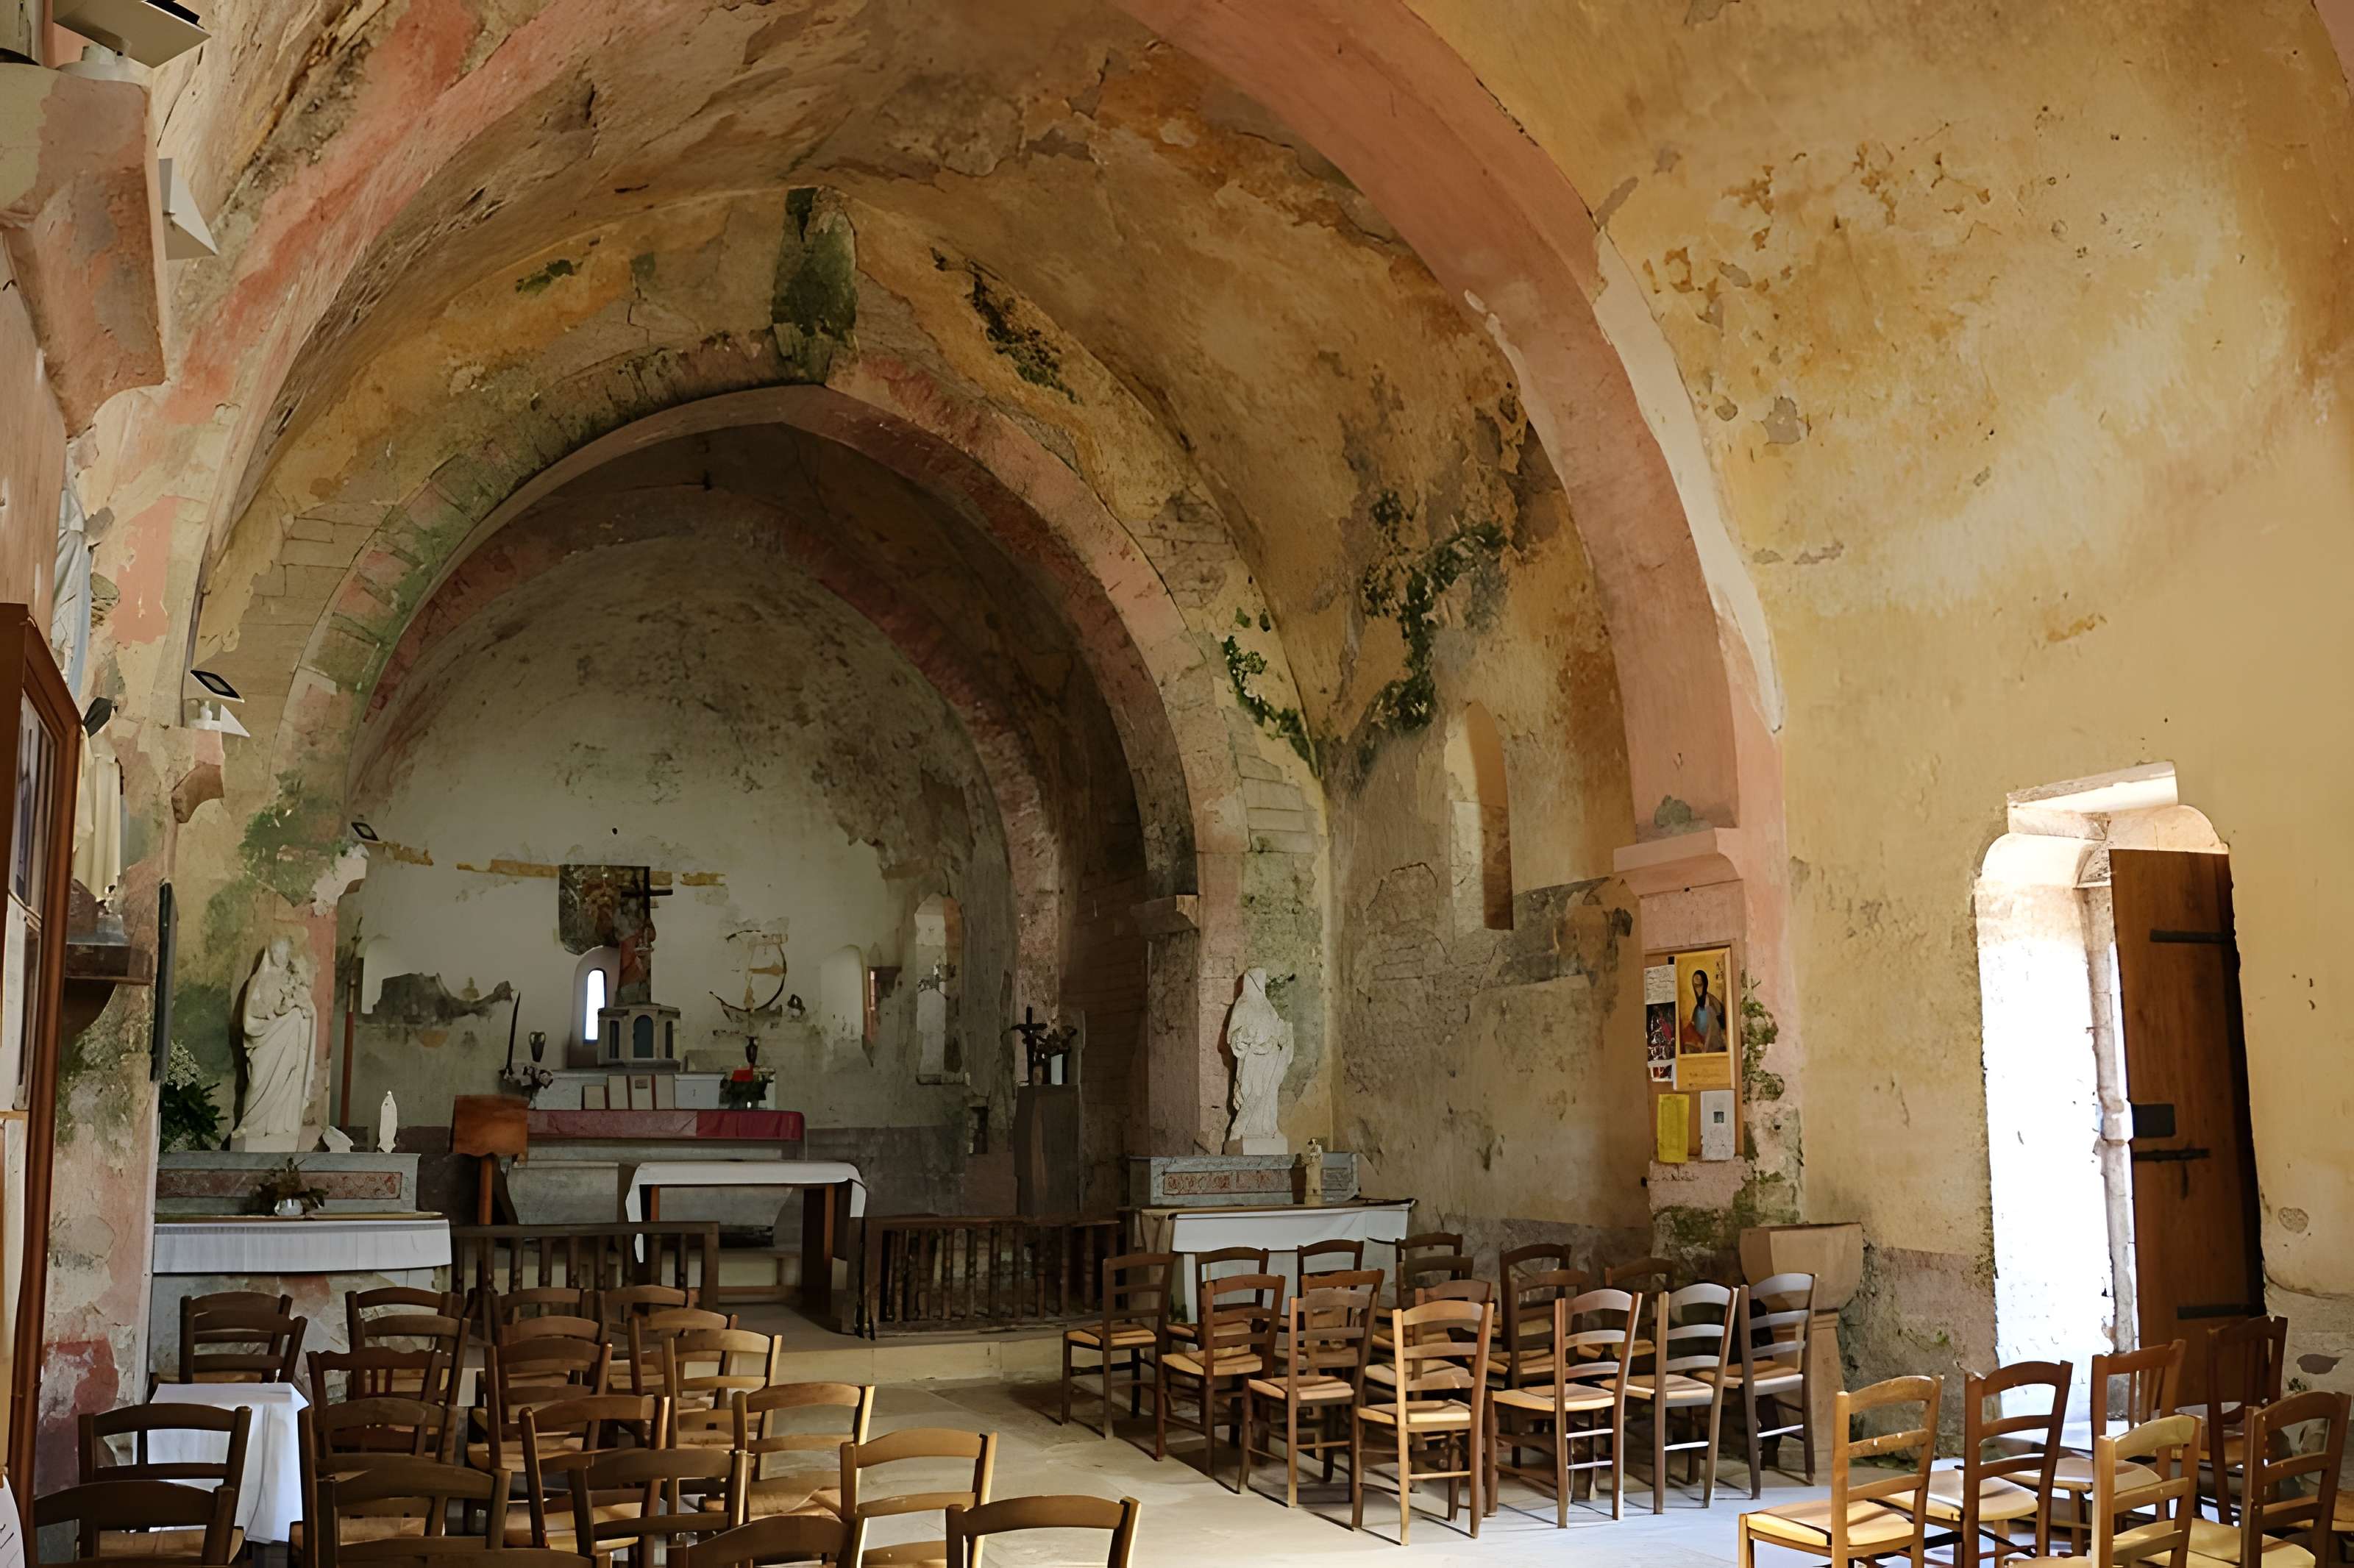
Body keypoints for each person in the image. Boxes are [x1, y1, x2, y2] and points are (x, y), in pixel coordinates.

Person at [1685, 966, 1728, 1053]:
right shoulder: (1697, 1007)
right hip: (1702, 1043)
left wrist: (1705, 1048)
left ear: (1705, 984)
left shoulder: (1711, 1003)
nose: (1698, 990)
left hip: (1715, 1045)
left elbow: (1714, 1028)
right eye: (1695, 986)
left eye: (1700, 985)